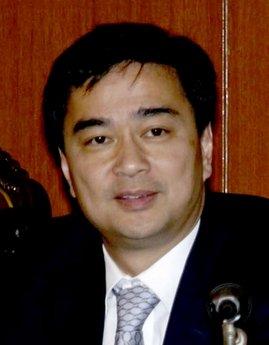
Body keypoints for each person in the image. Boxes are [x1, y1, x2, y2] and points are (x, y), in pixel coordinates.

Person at [3, 23, 269, 345]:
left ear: (206, 145)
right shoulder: (19, 284)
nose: (130, 164)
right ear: (67, 169)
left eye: (155, 132)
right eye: (99, 139)